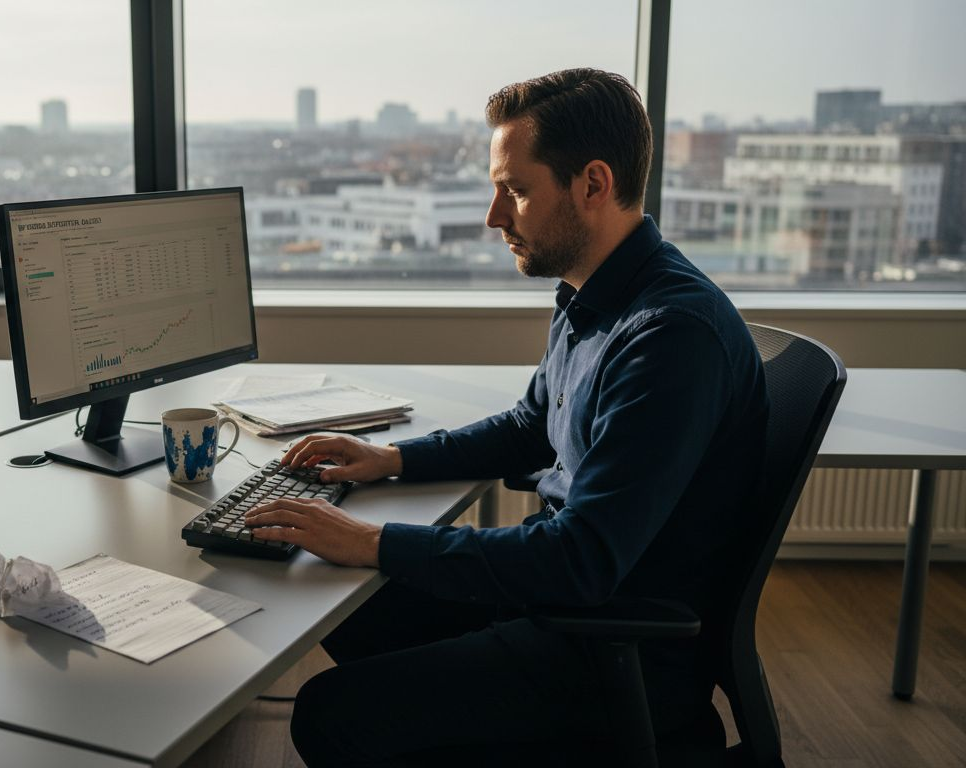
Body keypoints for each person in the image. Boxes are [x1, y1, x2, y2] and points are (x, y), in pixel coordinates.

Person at [243, 68, 768, 766]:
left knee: (330, 714)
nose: (495, 217)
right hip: (561, 606)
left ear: (593, 184)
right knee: (340, 595)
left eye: (515, 191)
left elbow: (582, 561)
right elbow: (529, 426)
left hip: (610, 652)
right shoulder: (593, 292)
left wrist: (372, 541)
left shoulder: (669, 337)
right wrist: (392, 459)